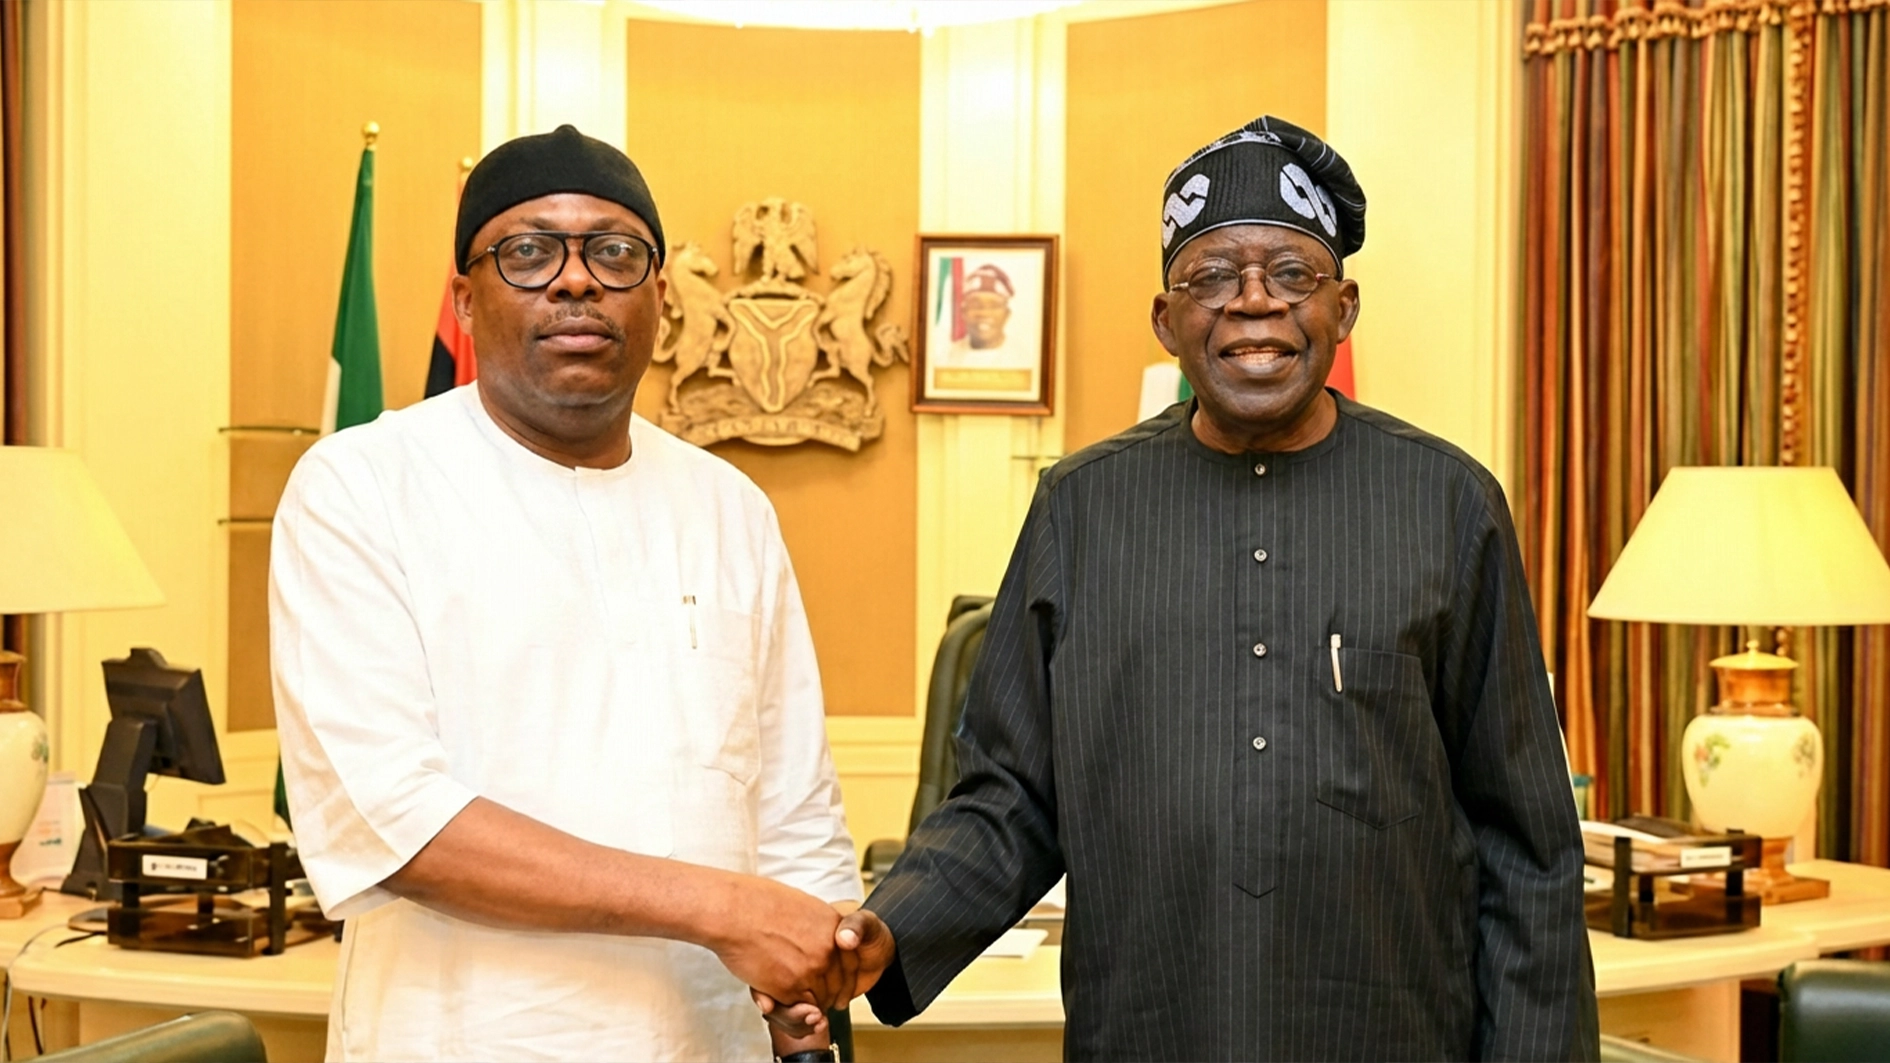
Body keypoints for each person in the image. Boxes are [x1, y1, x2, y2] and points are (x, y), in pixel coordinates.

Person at [822, 115, 1600, 1059]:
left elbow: (1526, 844)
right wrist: (886, 930)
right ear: (1167, 320)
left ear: (1343, 308)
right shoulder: (1082, 508)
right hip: (1147, 1028)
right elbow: (1012, 796)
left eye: (1291, 274)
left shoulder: (1446, 502)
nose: (1254, 304)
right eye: (1214, 277)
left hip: (1390, 1031)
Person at [272, 124, 864, 1062]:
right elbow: (398, 823)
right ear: (465, 300)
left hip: (712, 1043)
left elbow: (794, 807)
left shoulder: (730, 506)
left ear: (660, 299)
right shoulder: (361, 484)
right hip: (462, 1040)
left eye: (615, 252)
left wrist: (812, 975)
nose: (577, 278)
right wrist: (725, 906)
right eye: (530, 250)